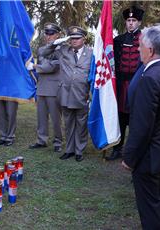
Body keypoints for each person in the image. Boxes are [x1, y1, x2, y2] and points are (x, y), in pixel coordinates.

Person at [122, 26, 160, 229]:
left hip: (149, 155)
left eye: (140, 46)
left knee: (150, 208)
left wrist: (130, 158)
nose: (138, 49)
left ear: (149, 50)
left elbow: (141, 126)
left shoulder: (149, 78)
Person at [41, 26, 93, 162]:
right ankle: (69, 150)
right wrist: (55, 43)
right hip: (65, 93)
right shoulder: (63, 50)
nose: (74, 41)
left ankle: (79, 150)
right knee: (68, 123)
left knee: (81, 124)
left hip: (82, 93)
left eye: (77, 38)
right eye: (72, 38)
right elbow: (44, 53)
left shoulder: (91, 53)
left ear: (84, 39)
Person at [105, 6, 144, 161]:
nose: (131, 23)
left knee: (136, 119)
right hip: (121, 85)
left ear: (139, 22)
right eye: (128, 20)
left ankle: (134, 151)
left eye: (134, 20)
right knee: (120, 118)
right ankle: (117, 149)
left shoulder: (146, 39)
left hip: (139, 85)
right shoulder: (118, 40)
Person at [28, 23, 63, 153]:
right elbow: (45, 64)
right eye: (47, 34)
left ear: (58, 34)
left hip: (54, 88)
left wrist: (36, 67)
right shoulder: (42, 49)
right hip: (42, 87)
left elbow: (53, 66)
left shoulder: (61, 49)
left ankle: (58, 142)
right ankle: (41, 140)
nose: (48, 36)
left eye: (51, 33)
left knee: (55, 118)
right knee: (41, 117)